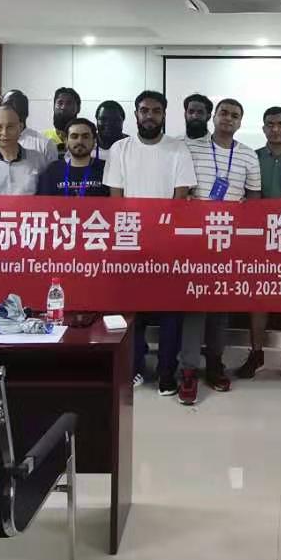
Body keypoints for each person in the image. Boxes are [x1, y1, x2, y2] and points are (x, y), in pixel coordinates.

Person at [105, 90, 197, 390]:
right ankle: (134, 367)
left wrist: (160, 233)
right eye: (144, 110)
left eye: (156, 111)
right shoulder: (120, 149)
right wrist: (133, 234)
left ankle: (167, 371)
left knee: (171, 312)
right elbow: (116, 199)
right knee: (133, 312)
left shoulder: (178, 149)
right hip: (130, 241)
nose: (150, 116)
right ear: (136, 114)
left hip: (167, 244)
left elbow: (180, 197)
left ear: (164, 115)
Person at [179, 98, 263, 404]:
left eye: (235, 115)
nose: (228, 118)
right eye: (223, 113)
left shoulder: (248, 155)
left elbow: (254, 200)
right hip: (194, 240)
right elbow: (182, 189)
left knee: (219, 307)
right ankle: (189, 369)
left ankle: (215, 362)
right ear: (214, 117)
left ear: (240, 122)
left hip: (228, 240)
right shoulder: (190, 149)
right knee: (193, 305)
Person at [241, 106, 281, 382]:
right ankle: (256, 353)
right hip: (259, 236)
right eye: (270, 124)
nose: (275, 129)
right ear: (263, 128)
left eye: (280, 124)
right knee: (259, 296)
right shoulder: (252, 157)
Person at [0, 90, 57, 161]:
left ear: (26, 112)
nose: (12, 112)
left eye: (18, 105)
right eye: (8, 106)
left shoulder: (44, 144)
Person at [37, 118, 110, 197]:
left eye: (85, 137)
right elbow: (44, 202)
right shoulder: (52, 171)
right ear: (66, 141)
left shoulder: (106, 169)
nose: (80, 141)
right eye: (74, 136)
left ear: (94, 141)